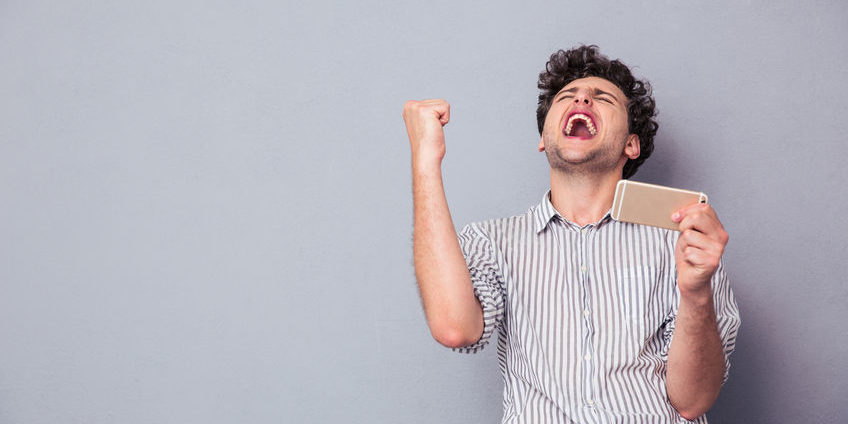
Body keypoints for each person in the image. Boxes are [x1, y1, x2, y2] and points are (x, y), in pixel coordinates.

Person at [402, 45, 741, 423]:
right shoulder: (492, 242)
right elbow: (454, 328)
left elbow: (693, 400)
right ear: (543, 138)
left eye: (603, 98)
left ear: (631, 144)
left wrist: (696, 291)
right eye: (567, 96)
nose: (582, 98)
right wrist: (425, 159)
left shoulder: (684, 245)